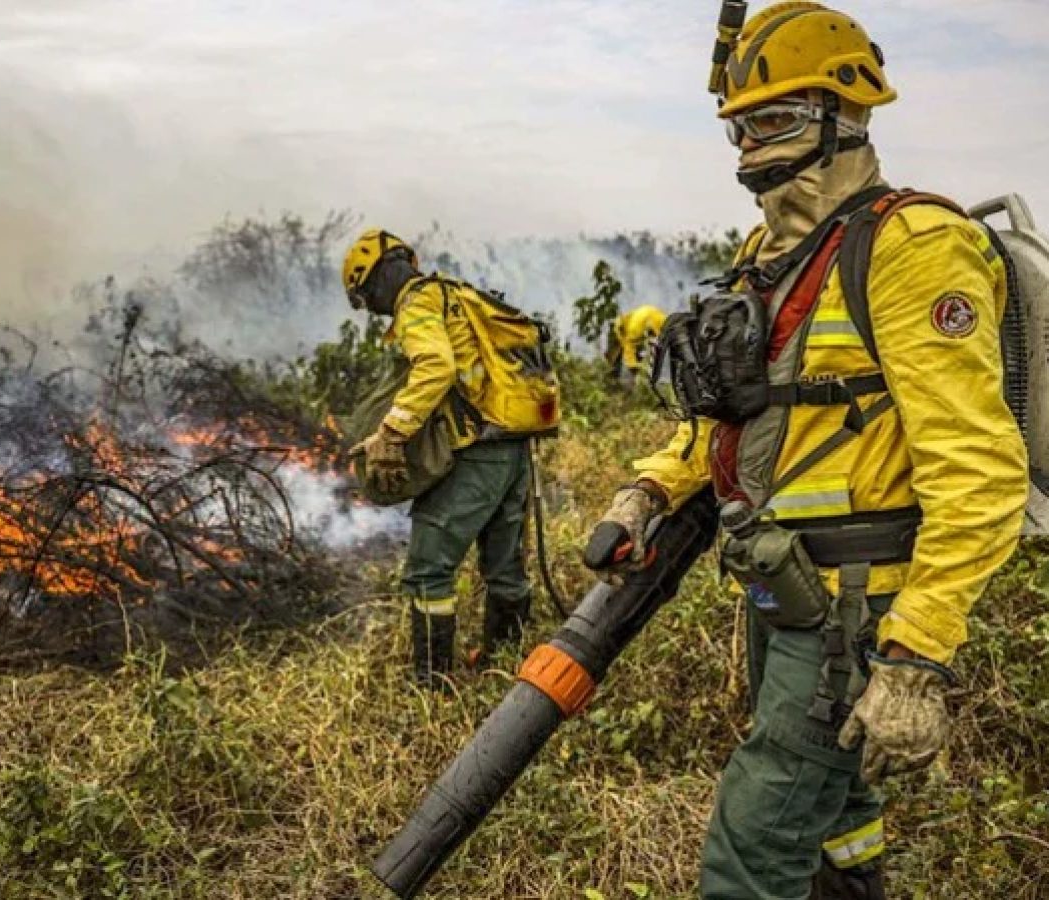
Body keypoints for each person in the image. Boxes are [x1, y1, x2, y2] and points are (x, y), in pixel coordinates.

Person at [585, 3, 1028, 898]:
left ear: (845, 114)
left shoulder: (914, 247)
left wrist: (914, 659)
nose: (752, 148)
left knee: (752, 853)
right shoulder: (774, 252)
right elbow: (734, 403)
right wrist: (649, 488)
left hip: (858, 611)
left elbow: (981, 473)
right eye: (742, 126)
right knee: (839, 815)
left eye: (777, 120)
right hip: (780, 582)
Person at [341, 230, 559, 690]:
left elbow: (435, 366)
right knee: (505, 566)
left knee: (428, 568)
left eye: (366, 298)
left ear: (375, 279)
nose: (375, 309)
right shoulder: (457, 295)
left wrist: (392, 430)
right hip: (512, 446)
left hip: (476, 451)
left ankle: (431, 684)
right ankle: (504, 667)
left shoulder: (417, 302)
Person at [606, 305, 668, 387]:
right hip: (644, 323)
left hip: (646, 325)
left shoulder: (633, 331)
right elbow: (630, 354)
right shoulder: (630, 332)